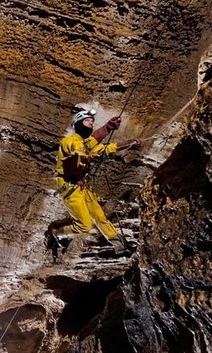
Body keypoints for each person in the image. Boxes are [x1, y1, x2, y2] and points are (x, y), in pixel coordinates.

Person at [46, 106, 142, 254]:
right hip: (69, 187)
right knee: (84, 226)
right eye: (87, 120)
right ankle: (59, 233)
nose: (91, 123)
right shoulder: (69, 141)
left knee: (99, 216)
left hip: (82, 185)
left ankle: (119, 244)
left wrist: (128, 143)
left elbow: (105, 148)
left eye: (92, 121)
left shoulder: (86, 144)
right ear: (78, 123)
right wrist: (106, 128)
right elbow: (79, 150)